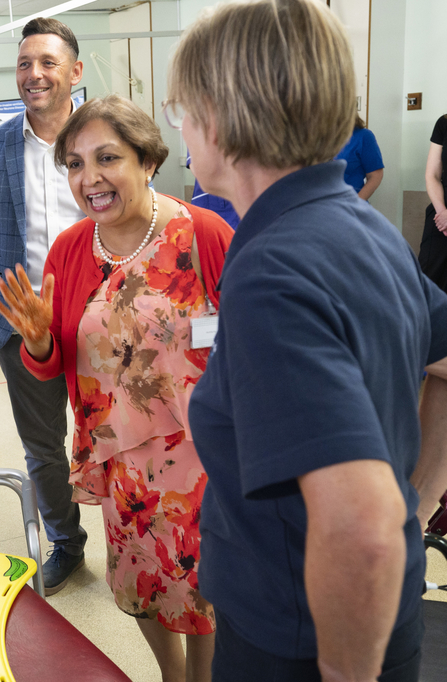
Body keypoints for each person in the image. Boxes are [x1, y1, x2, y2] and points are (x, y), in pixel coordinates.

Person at [168, 1, 447, 680]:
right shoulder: (360, 222)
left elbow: (362, 530)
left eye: (182, 109)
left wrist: (403, 505)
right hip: (381, 613)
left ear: (218, 114)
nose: (181, 129)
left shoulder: (273, 268)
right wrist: (423, 493)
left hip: (302, 636)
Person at [0, 94, 232, 682]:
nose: (89, 178)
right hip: (119, 453)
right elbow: (55, 366)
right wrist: (41, 343)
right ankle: (170, 676)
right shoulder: (71, 251)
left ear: (147, 160)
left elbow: (250, 345)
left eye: (107, 158)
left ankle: (201, 679)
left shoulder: (203, 234)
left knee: (205, 582)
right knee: (142, 578)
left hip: (205, 452)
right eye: (74, 164)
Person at [0, 16, 89, 594]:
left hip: (100, 317)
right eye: (24, 63)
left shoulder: (101, 138)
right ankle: (67, 540)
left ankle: (139, 539)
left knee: (115, 434)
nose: (34, 75)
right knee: (42, 446)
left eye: (48, 63)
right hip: (20, 322)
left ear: (75, 72)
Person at [420, 114, 447, 291]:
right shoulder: (443, 123)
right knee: (427, 284)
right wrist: (442, 212)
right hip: (441, 214)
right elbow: (432, 175)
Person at [336, 115, 384, 200]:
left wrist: (356, 203)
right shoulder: (317, 137)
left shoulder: (363, 136)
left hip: (349, 205)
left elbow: (375, 175)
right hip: (318, 206)